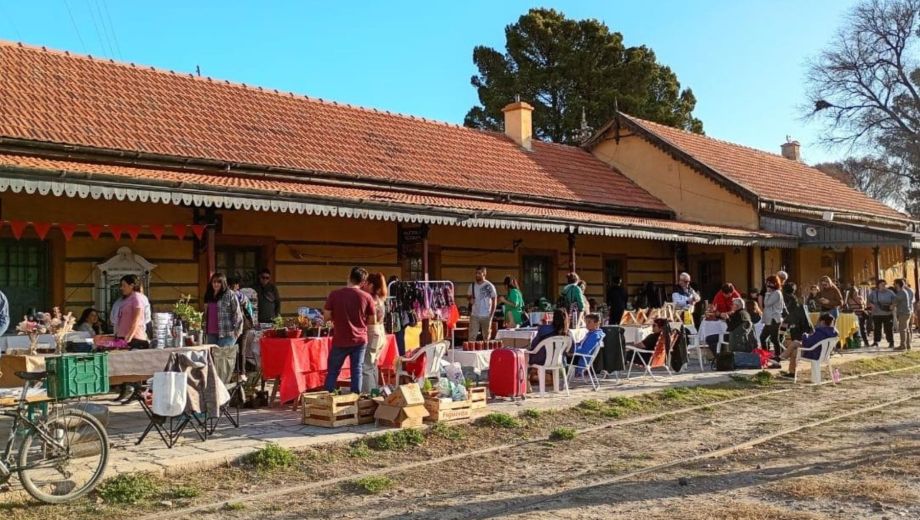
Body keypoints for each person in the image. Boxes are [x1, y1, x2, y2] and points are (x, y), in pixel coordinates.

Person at [323, 267, 376, 394]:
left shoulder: (334, 295)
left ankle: (327, 398)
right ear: (363, 282)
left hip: (340, 338)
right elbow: (372, 321)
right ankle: (355, 399)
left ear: (349, 277)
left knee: (333, 371)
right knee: (357, 370)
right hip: (360, 339)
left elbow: (327, 317)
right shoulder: (367, 297)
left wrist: (338, 318)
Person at [113, 274, 150, 403]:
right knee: (123, 365)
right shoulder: (126, 299)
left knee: (133, 366)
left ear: (131, 285)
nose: (121, 288)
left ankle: (137, 391)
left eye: (124, 285)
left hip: (134, 337)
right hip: (123, 336)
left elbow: (137, 319)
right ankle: (126, 390)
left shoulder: (137, 298)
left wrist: (129, 335)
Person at [780, 314, 838, 378]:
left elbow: (809, 342)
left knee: (794, 352)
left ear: (822, 322)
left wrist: (805, 335)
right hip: (822, 353)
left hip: (814, 353)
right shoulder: (833, 332)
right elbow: (814, 342)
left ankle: (788, 368)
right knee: (795, 343)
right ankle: (783, 357)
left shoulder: (821, 331)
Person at [361, 273, 388, 393]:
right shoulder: (381, 299)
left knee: (366, 366)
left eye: (366, 282)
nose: (364, 285)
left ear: (371, 285)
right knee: (373, 365)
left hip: (372, 331)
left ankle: (369, 394)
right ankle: (375, 391)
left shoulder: (370, 299)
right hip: (381, 331)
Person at [203, 272, 244, 348]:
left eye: (219, 282)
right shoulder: (208, 295)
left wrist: (237, 333)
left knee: (223, 359)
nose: (216, 284)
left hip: (227, 334)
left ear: (223, 283)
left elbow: (237, 314)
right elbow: (205, 314)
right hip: (211, 334)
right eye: (214, 282)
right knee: (212, 359)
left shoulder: (230, 294)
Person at [469, 266, 497, 341]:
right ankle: (471, 351)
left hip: (486, 315)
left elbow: (494, 300)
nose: (477, 275)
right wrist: (470, 299)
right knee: (472, 336)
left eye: (479, 273)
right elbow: (468, 296)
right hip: (474, 314)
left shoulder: (489, 286)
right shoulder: (472, 285)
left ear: (484, 274)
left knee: (486, 337)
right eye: (476, 273)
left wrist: (491, 315)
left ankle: (486, 352)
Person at [760, 276, 785, 360]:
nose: (767, 284)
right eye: (767, 282)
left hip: (774, 319)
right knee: (762, 337)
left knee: (774, 338)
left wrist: (767, 293)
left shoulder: (777, 293)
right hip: (769, 319)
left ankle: (778, 356)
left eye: (769, 283)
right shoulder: (773, 292)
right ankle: (765, 355)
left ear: (775, 283)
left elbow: (767, 303)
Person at [867, 279, 896, 349]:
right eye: (882, 284)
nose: (883, 286)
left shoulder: (890, 292)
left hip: (887, 314)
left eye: (884, 284)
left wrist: (893, 305)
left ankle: (891, 342)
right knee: (877, 328)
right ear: (878, 285)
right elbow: (868, 301)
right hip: (876, 314)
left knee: (888, 329)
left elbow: (896, 300)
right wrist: (871, 304)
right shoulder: (873, 293)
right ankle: (876, 341)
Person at [844, 283, 871, 348]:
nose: (856, 292)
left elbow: (849, 308)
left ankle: (854, 343)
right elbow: (864, 306)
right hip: (860, 315)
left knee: (855, 330)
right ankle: (865, 343)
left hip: (854, 316)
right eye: (855, 291)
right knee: (862, 329)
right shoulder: (860, 298)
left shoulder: (848, 300)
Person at [893, 278, 914, 350]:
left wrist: (889, 306)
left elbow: (894, 304)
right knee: (906, 329)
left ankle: (903, 346)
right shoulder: (904, 291)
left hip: (903, 313)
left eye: (894, 283)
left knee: (902, 329)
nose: (894, 285)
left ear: (898, 284)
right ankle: (908, 345)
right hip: (907, 312)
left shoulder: (901, 292)